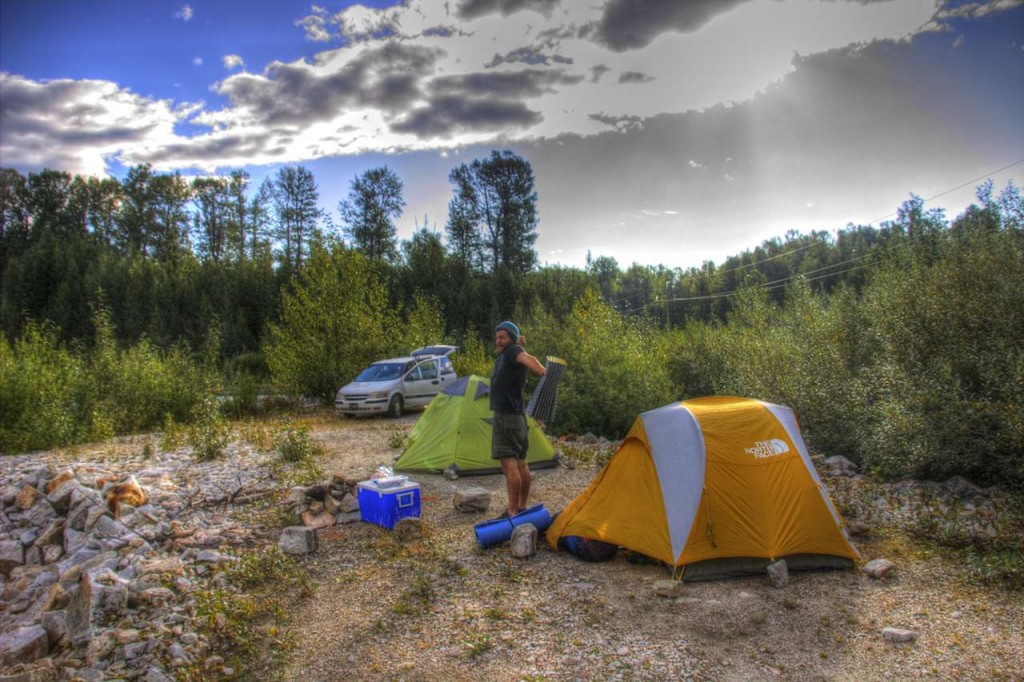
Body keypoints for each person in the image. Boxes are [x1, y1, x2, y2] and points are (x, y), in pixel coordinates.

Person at [490, 320, 546, 518]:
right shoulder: (508, 351)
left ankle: (513, 511)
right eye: (497, 337)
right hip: (518, 417)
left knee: (510, 467)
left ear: (511, 339)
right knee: (522, 464)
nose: (498, 340)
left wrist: (542, 371)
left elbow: (526, 358)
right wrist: (514, 339)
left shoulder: (514, 351)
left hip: (507, 418)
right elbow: (517, 350)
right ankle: (521, 506)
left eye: (502, 337)